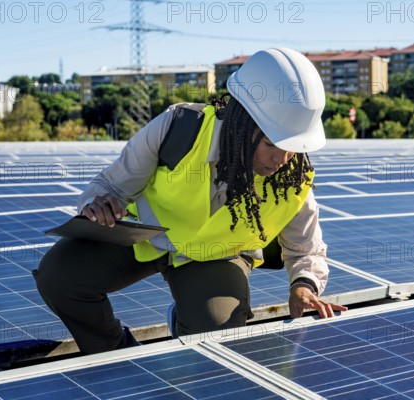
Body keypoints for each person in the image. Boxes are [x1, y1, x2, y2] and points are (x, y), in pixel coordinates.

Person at [34, 47, 347, 355]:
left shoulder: (293, 176)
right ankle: (118, 358)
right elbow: (110, 185)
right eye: (270, 143)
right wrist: (98, 204)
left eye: (292, 146)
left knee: (216, 334)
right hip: (146, 236)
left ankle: (188, 324)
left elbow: (306, 247)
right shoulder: (179, 128)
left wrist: (303, 286)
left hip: (216, 256)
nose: (282, 158)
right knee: (59, 277)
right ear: (241, 123)